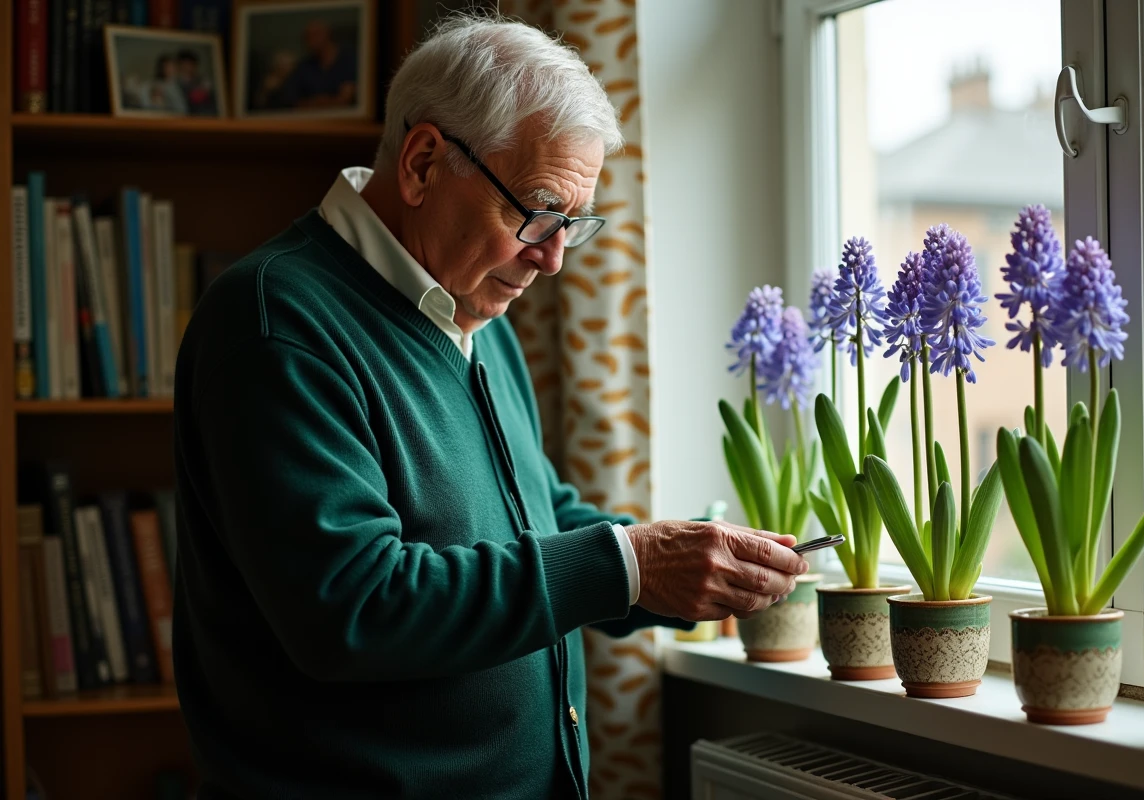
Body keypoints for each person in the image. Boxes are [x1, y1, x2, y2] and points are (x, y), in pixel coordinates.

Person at [172, 14, 808, 800]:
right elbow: (355, 607)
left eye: (572, 224)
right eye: (536, 212)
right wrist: (628, 564)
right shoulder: (276, 323)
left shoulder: (472, 311)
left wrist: (682, 572)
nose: (553, 259)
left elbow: (536, 515)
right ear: (423, 164)